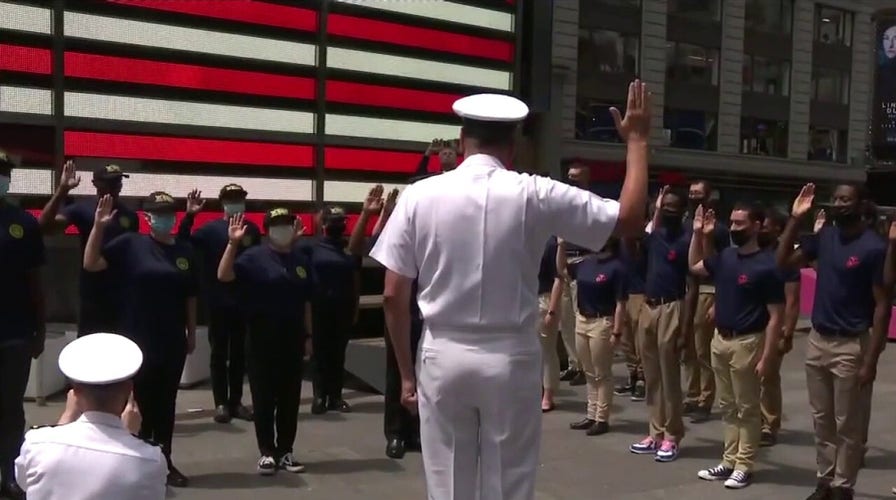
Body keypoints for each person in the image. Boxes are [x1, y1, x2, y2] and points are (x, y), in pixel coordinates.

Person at [370, 81, 650, 500]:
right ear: (514, 145)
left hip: (443, 352)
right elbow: (629, 219)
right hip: (510, 353)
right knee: (508, 484)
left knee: (447, 483)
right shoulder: (534, 193)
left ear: (463, 141)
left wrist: (407, 376)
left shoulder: (419, 196)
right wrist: (638, 141)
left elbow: (394, 293)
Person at [776, 183, 890, 500]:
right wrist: (795, 220)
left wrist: (871, 360)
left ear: (860, 203)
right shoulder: (825, 238)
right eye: (836, 199)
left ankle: (843, 486)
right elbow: (783, 262)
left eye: (846, 200)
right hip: (818, 340)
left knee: (848, 425)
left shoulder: (873, 247)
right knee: (822, 420)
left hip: (851, 345)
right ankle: (824, 482)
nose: (839, 204)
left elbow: (882, 306)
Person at [83, 192, 198, 487]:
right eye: (159, 213)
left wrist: (192, 332)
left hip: (171, 339)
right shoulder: (130, 244)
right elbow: (92, 263)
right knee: (136, 404)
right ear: (147, 218)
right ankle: (130, 464)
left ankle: (163, 462)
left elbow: (190, 296)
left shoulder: (184, 251)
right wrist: (98, 226)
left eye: (169, 213)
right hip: (136, 339)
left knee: (165, 404)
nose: (166, 218)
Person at [688, 204, 783, 489]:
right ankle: (728, 460)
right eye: (732, 223)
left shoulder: (767, 265)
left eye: (741, 223)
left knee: (747, 408)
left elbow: (776, 315)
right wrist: (697, 235)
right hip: (721, 340)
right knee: (728, 406)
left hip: (748, 342)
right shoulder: (726, 257)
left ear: (756, 225)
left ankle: (744, 464)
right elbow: (694, 267)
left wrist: (767, 355)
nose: (734, 228)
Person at [15, 334, 166, 500]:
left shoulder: (37, 444)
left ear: (75, 392)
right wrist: (130, 437)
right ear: (128, 390)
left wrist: (67, 417)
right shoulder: (150, 459)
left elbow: (24, 482)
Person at [217, 209, 311, 475]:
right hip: (261, 340)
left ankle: (286, 451)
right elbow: (224, 276)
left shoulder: (300, 259)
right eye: (277, 225)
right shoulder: (253, 257)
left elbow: (306, 302)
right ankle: (267, 452)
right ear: (268, 230)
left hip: (292, 340)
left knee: (290, 399)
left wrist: (309, 335)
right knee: (264, 398)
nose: (282, 230)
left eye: (287, 225)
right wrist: (233, 243)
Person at [348, 186, 424, 458]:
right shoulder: (395, 235)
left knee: (424, 376)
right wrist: (378, 214)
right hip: (401, 314)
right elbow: (362, 248)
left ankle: (417, 430)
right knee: (397, 374)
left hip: (428, 315)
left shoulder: (432, 234)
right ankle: (395, 434)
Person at [178, 185, 259, 423]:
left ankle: (236, 401)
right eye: (230, 199)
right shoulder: (210, 230)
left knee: (239, 354)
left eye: (239, 199)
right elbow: (183, 242)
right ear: (222, 203)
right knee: (219, 352)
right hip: (217, 301)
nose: (235, 203)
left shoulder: (251, 230)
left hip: (243, 301)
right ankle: (221, 403)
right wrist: (190, 215)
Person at [38, 161, 139, 337]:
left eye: (118, 182)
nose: (115, 187)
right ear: (96, 184)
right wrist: (63, 190)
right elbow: (45, 226)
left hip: (123, 297)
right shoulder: (83, 209)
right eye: (110, 182)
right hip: (92, 296)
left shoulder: (129, 216)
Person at [629, 186, 690, 462]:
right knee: (651, 376)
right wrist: (654, 208)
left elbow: (693, 285)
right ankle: (655, 433)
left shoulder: (687, 239)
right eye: (665, 206)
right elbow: (634, 239)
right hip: (649, 307)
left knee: (669, 378)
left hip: (672, 306)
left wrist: (686, 328)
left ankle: (672, 435)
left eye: (674, 207)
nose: (669, 211)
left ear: (683, 211)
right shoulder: (654, 236)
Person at [0, 150, 46, 500]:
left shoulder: (23, 223)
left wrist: (40, 330)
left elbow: (35, 282)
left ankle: (10, 475)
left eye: (3, 173)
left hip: (14, 334)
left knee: (11, 409)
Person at [559, 237, 628, 436]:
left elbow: (621, 303)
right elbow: (562, 270)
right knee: (589, 372)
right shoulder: (585, 264)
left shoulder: (616, 268)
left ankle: (602, 418)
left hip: (602, 322)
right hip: (583, 320)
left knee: (602, 373)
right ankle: (591, 414)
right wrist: (562, 245)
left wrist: (617, 331)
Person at [304, 206, 362, 414]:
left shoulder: (349, 249)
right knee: (319, 354)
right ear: (325, 224)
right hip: (319, 308)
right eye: (334, 222)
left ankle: (335, 397)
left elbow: (355, 280)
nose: (338, 226)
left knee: (338, 354)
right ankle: (320, 396)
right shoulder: (312, 248)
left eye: (341, 222)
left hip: (343, 308)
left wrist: (355, 308)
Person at [683, 179, 730, 424]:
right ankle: (691, 395)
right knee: (687, 348)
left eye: (699, 194)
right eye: (691, 193)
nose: (694, 198)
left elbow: (721, 267)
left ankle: (705, 399)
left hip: (706, 291)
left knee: (703, 350)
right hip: (685, 291)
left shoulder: (719, 230)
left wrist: (718, 300)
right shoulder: (684, 225)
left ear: (709, 197)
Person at [757, 208, 802, 447]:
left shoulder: (786, 259)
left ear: (777, 229)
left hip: (773, 328)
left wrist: (788, 332)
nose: (761, 228)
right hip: (749, 325)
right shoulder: (752, 252)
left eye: (765, 224)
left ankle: (769, 424)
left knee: (769, 378)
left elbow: (793, 300)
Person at [616, 231, 648, 401]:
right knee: (626, 339)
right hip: (622, 294)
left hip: (639, 293)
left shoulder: (643, 241)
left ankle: (643, 378)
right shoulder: (618, 242)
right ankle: (633, 375)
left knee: (639, 339)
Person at [538, 236, 563, 412]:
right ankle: (535, 390)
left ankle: (548, 394)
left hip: (544, 299)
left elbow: (558, 278)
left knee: (547, 350)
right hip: (526, 298)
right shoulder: (526, 237)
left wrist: (552, 310)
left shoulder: (551, 243)